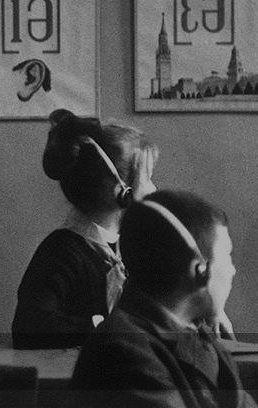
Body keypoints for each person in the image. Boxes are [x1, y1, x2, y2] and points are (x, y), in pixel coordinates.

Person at [70, 190, 258, 408]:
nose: (232, 270)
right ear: (200, 270)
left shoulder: (205, 343)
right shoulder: (121, 353)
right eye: (227, 256)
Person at [12, 109, 159, 349]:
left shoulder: (128, 246)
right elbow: (27, 327)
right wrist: (102, 327)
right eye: (148, 178)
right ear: (122, 190)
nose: (154, 188)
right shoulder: (61, 250)